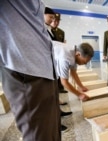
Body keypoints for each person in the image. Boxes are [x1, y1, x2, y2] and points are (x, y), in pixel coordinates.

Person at [0, 1, 61, 141]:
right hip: (25, 68)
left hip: (44, 69)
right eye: (51, 18)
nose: (53, 20)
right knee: (39, 135)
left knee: (51, 131)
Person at [51, 12, 68, 94]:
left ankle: (61, 87)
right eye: (54, 20)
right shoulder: (47, 30)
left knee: (60, 72)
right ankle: (54, 89)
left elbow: (62, 44)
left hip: (60, 56)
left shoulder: (61, 32)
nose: (55, 22)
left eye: (57, 21)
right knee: (53, 73)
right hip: (51, 55)